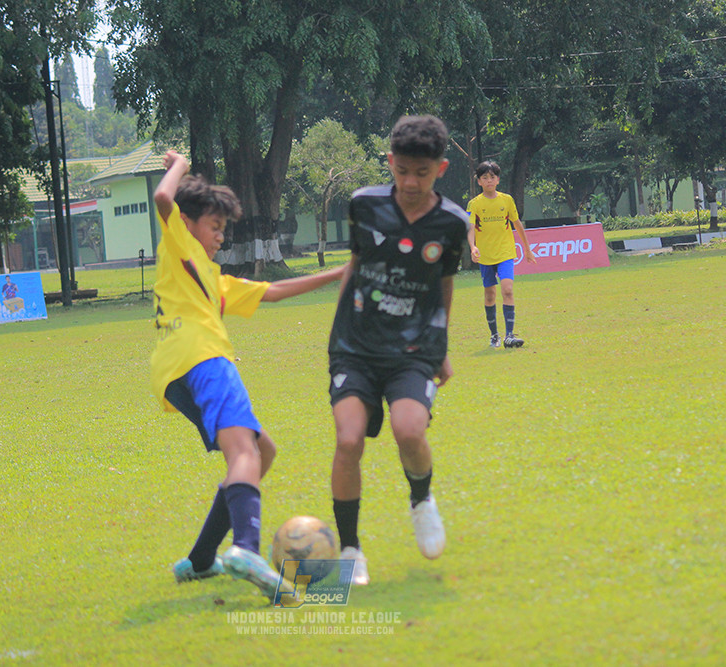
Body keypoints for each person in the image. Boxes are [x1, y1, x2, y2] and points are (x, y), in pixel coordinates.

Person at [151, 151, 344, 600]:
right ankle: (245, 549)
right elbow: (164, 195)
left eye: (223, 230)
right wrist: (178, 163)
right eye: (215, 227)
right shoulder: (179, 243)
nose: (220, 237)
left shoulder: (209, 278)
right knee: (243, 453)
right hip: (205, 361)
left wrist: (337, 273)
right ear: (189, 222)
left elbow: (272, 291)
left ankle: (200, 561)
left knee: (262, 452)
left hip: (174, 373)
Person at [327, 115, 469, 586]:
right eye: (402, 170)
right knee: (348, 441)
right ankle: (350, 550)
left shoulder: (451, 223)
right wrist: (339, 331)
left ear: (441, 169)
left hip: (413, 347)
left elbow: (443, 285)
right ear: (390, 162)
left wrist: (440, 344)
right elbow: (355, 264)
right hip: (356, 345)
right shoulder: (363, 206)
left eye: (421, 173)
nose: (410, 182)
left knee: (409, 431)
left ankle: (421, 499)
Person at [466, 161, 536, 348]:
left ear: (498, 179)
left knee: (507, 290)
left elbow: (517, 224)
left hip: (505, 253)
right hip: (486, 257)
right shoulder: (474, 204)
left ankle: (509, 336)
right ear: (479, 181)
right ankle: (494, 335)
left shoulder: (507, 200)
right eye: (485, 178)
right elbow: (470, 227)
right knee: (490, 295)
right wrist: (473, 247)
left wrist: (527, 249)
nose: (489, 181)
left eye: (492, 177)